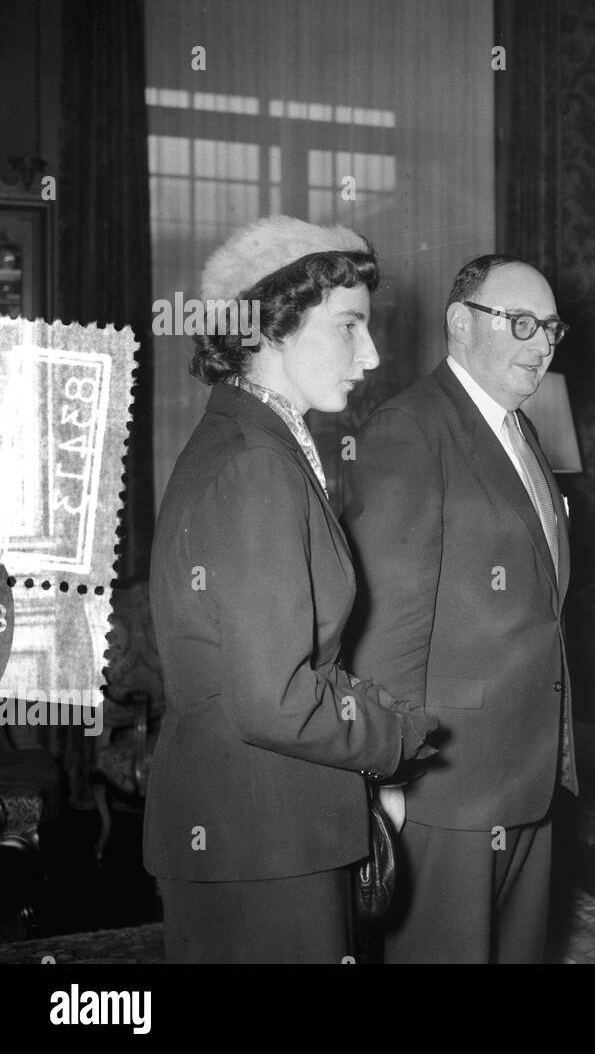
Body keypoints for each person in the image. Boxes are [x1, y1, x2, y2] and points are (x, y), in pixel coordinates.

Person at [144, 216, 438, 963]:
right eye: (349, 327)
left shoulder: (248, 441)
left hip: (249, 828)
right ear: (272, 325)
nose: (371, 354)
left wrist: (375, 717)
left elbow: (282, 657)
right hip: (263, 842)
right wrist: (392, 740)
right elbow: (273, 698)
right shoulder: (257, 464)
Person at [342, 254, 575, 964]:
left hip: (527, 769)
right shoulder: (409, 429)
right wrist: (391, 775)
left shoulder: (521, 430)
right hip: (449, 781)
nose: (541, 346)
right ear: (459, 323)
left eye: (552, 329)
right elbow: (385, 627)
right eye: (522, 324)